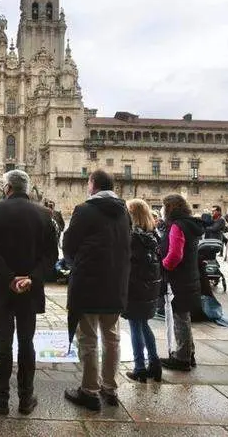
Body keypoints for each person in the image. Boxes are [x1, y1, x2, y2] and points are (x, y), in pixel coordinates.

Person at [0, 170, 57, 416]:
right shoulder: (44, 214)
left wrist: (9, 278)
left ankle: (0, 396)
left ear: (7, 188)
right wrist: (31, 279)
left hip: (2, 288)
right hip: (29, 290)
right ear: (26, 188)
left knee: (3, 343)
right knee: (26, 342)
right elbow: (51, 256)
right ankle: (25, 397)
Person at [62, 170, 131, 409]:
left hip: (89, 285)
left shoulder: (84, 210)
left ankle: (89, 391)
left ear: (93, 185)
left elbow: (68, 245)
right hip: (116, 284)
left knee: (89, 338)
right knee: (112, 337)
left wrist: (76, 264)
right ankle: (110, 389)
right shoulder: (124, 212)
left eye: (88, 182)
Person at [159, 194, 205, 371]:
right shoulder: (190, 224)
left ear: (170, 208)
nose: (162, 211)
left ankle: (182, 357)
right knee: (184, 316)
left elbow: (175, 255)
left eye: (163, 207)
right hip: (189, 276)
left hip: (178, 278)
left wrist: (164, 264)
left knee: (180, 318)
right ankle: (188, 353)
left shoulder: (177, 226)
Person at [123, 198, 162, 384]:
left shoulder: (133, 237)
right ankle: (155, 364)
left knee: (135, 326)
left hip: (135, 287)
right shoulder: (153, 234)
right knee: (144, 325)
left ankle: (139, 368)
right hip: (150, 287)